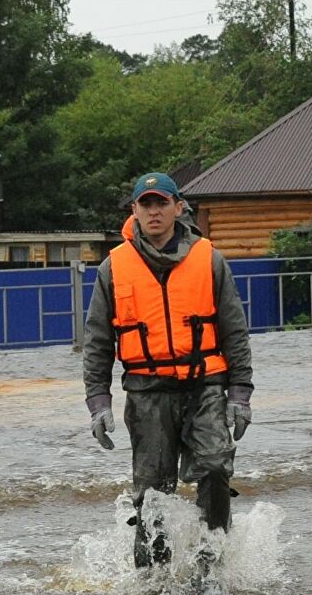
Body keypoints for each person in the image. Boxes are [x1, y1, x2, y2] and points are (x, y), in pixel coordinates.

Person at [82, 172, 254, 569]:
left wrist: (240, 395)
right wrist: (98, 402)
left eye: (162, 203)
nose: (154, 211)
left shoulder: (208, 258)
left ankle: (213, 561)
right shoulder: (114, 267)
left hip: (205, 385)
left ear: (179, 208)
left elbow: (234, 329)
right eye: (146, 204)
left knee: (214, 465)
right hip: (146, 391)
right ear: (135, 211)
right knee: (153, 493)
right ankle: (153, 580)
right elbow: (97, 341)